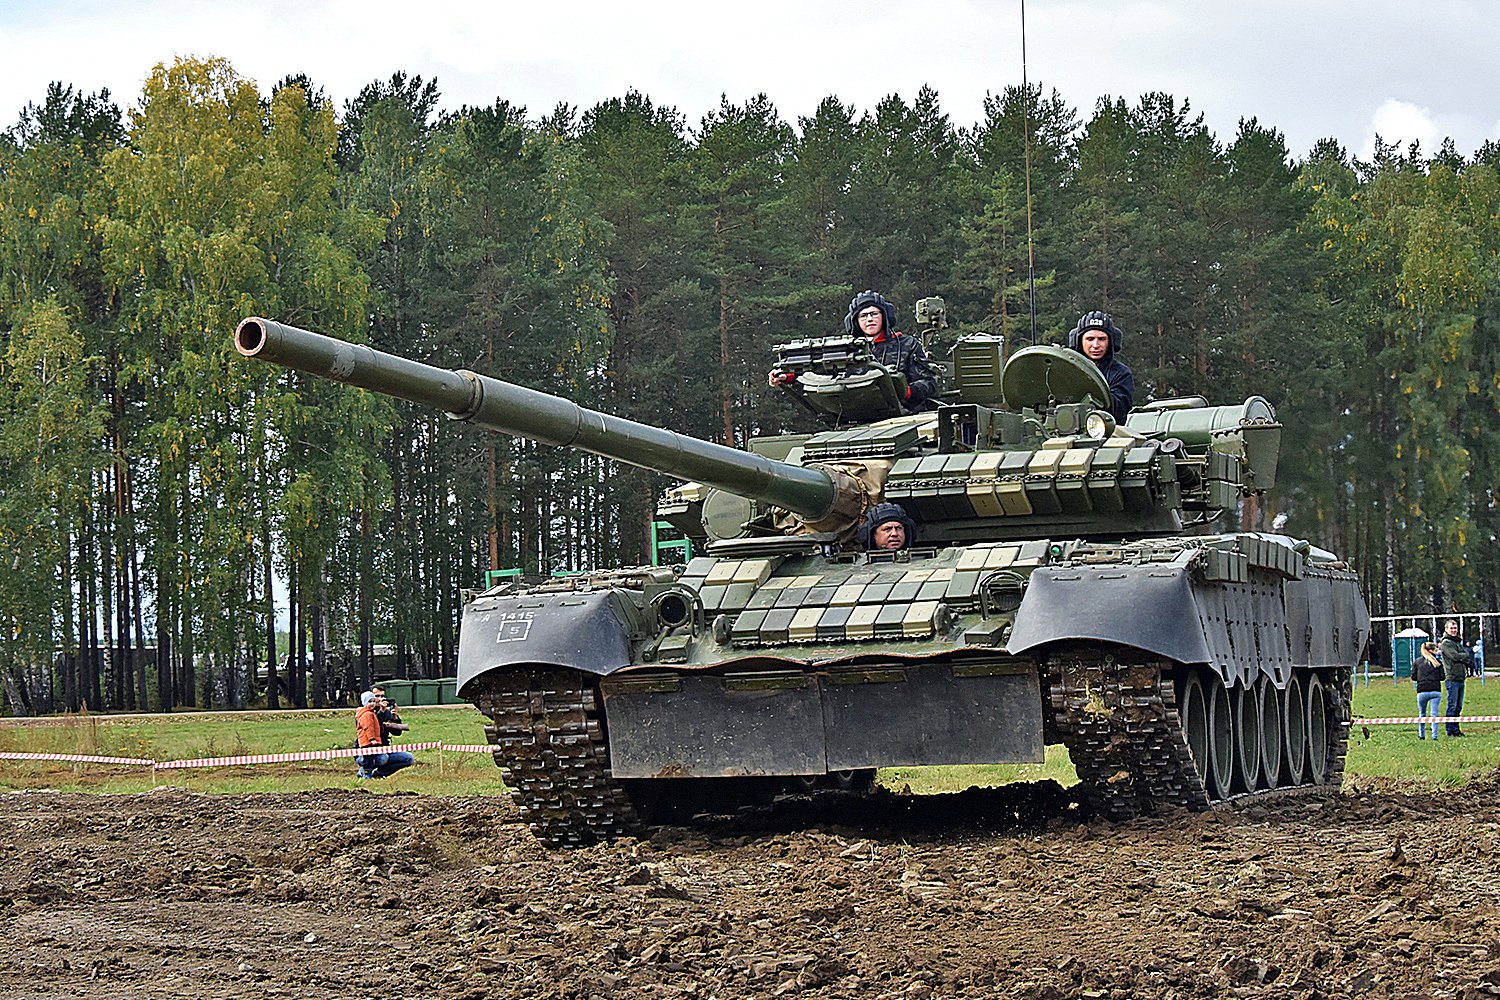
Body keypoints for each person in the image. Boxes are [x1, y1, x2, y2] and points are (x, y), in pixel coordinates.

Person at [772, 291, 937, 410]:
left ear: (885, 316)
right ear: (855, 321)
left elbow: (928, 384)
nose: (869, 319)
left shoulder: (907, 345)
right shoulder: (845, 348)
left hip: (904, 417)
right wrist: (788, 376)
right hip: (855, 417)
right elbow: (821, 371)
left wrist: (906, 391)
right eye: (863, 316)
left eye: (874, 313)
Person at [1066, 310, 1134, 424]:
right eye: (1090, 339)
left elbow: (1119, 412)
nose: (1096, 345)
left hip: (1109, 435)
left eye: (1102, 339)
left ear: (1111, 341)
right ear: (1079, 341)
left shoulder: (1121, 373)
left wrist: (1092, 378)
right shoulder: (1065, 371)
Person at [354, 690, 414, 779]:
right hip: (366, 750)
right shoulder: (365, 713)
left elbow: (397, 733)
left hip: (383, 748)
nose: (380, 699)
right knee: (382, 758)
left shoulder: (386, 712)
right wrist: (381, 712)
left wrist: (395, 718)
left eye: (382, 696)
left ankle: (379, 774)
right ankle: (364, 772)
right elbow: (371, 726)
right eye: (377, 696)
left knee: (408, 758)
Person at [1439, 619, 1473, 737]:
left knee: (1458, 706)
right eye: (1451, 628)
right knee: (1452, 705)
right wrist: (1464, 656)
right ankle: (1450, 730)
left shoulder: (1457, 642)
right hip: (1452, 678)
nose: (1453, 630)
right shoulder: (1446, 643)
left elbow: (1466, 655)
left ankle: (1456, 728)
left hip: (1461, 677)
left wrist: (1464, 656)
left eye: (1455, 628)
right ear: (1446, 629)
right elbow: (1455, 656)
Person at [1414, 641, 1444, 740]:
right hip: (1435, 689)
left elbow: (1413, 677)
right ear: (1430, 650)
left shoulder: (1417, 662)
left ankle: (1421, 734)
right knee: (1434, 714)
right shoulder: (1437, 663)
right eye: (1435, 650)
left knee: (1422, 713)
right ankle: (1434, 735)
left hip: (1422, 690)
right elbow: (1442, 677)